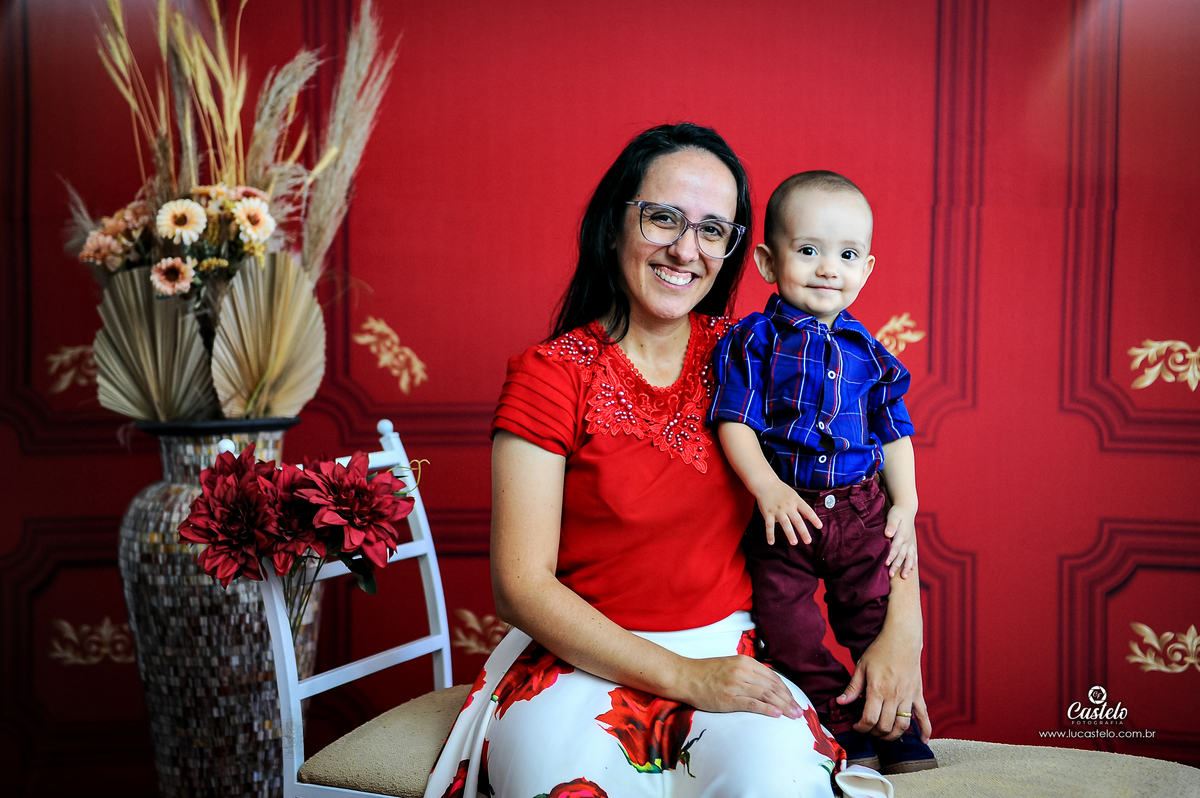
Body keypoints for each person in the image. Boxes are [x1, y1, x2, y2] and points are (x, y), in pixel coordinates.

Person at [424, 126, 927, 798]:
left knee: (776, 784)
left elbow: (862, 495)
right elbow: (520, 585)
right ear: (613, 225)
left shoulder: (752, 354)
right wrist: (687, 678)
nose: (686, 250)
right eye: (663, 218)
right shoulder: (551, 376)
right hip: (582, 661)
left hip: (735, 656)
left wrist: (903, 632)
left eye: (712, 230)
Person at [707, 170, 937, 774]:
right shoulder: (754, 339)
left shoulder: (871, 354)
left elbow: (895, 434)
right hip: (786, 514)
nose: (828, 268)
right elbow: (734, 421)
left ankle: (894, 728)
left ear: (867, 269)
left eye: (847, 255)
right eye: (808, 251)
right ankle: (838, 718)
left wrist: (906, 505)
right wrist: (767, 487)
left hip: (859, 510)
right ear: (768, 262)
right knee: (787, 630)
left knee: (873, 618)